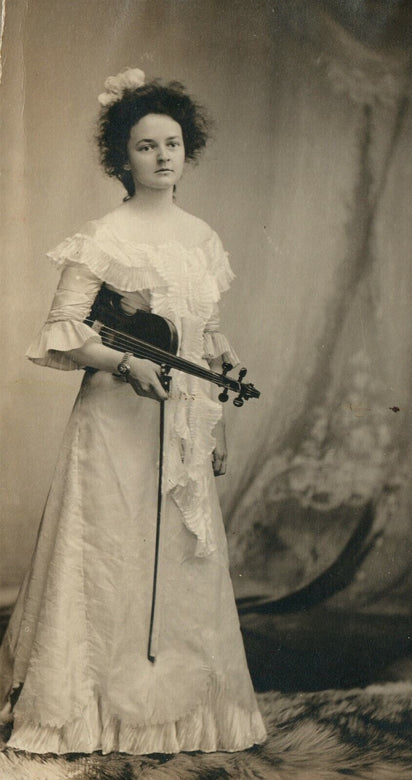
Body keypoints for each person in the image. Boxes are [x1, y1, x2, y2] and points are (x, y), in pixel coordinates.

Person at [0, 68, 266, 755]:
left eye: (171, 143)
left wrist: (220, 373)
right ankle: (90, 717)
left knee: (177, 562)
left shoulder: (202, 238)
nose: (161, 156)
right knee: (110, 557)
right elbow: (62, 329)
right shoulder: (103, 236)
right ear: (122, 158)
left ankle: (178, 719)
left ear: (188, 148)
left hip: (181, 426)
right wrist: (125, 362)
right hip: (115, 426)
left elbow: (203, 331)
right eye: (145, 146)